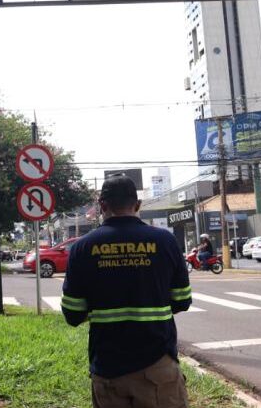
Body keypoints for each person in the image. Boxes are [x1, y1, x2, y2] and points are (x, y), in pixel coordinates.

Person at [61, 175, 191, 408]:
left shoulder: (82, 247)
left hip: (108, 368)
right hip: (157, 365)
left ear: (102, 206)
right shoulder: (165, 241)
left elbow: (72, 313)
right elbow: (181, 300)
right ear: (138, 205)